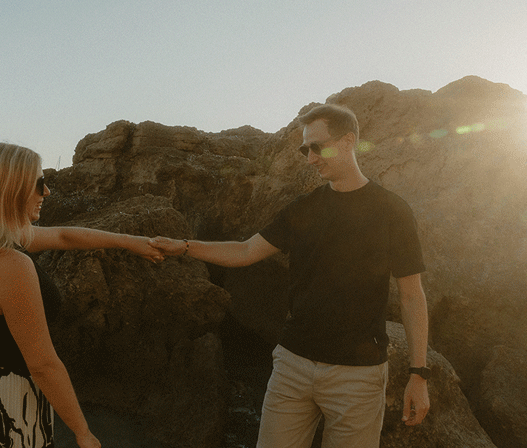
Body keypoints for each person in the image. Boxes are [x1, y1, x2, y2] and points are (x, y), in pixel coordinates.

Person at [151, 104, 430, 448]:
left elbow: (412, 295)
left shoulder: (392, 211)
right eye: (304, 150)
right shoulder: (304, 208)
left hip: (357, 377)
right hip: (292, 367)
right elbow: (246, 251)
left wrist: (418, 374)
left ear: (349, 142)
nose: (310, 158)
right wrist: (183, 247)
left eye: (317, 147)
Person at [0, 142, 164, 448]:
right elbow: (43, 364)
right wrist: (83, 433)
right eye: (39, 183)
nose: (47, 193)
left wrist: (130, 242)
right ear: (10, 190)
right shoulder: (11, 265)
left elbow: (63, 235)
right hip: (2, 397)